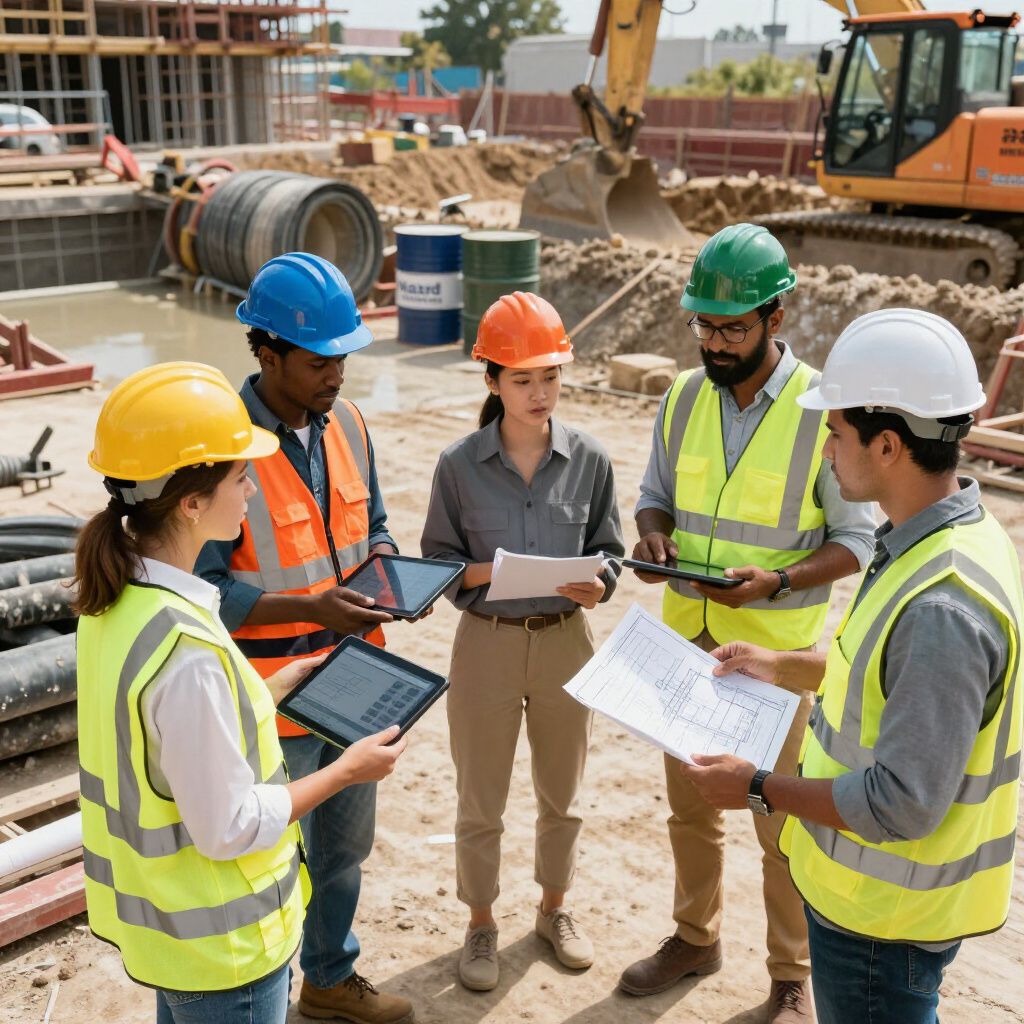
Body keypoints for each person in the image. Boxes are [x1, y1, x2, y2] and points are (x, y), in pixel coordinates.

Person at [680, 308, 1023, 1024]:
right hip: (876, 909)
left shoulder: (941, 606)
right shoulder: (944, 539)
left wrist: (759, 787)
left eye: (835, 434)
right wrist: (780, 663)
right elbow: (874, 680)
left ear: (889, 444)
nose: (827, 451)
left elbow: (902, 801)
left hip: (882, 922)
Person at [75, 362, 406, 1024]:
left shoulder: (119, 606)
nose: (253, 488)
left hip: (175, 936)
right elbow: (228, 827)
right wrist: (347, 770)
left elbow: (166, 733)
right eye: (239, 476)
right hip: (228, 947)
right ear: (192, 501)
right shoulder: (188, 647)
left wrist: (273, 683)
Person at [622, 224, 877, 1022]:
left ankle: (791, 974)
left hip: (777, 663)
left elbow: (857, 540)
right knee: (691, 809)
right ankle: (695, 937)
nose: (715, 342)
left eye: (731, 327)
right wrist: (653, 530)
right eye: (704, 325)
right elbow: (653, 493)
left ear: (776, 316)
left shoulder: (820, 414)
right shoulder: (682, 396)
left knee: (781, 824)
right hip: (687, 647)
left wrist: (779, 580)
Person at [196, 254, 413, 1024]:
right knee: (268, 862)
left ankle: (327, 979)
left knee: (342, 853)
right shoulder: (221, 446)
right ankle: (265, 999)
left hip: (358, 684)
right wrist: (313, 609)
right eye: (320, 362)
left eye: (343, 358)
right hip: (271, 705)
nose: (337, 376)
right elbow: (205, 595)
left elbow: (375, 528)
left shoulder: (348, 423)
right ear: (266, 352)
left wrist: (390, 575)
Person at [420, 292, 625, 991]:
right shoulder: (458, 465)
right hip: (487, 644)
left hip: (568, 640)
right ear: (491, 381)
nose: (541, 393)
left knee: (563, 795)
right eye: (522, 379)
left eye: (551, 376)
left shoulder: (591, 459)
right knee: (482, 799)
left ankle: (553, 910)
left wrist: (604, 582)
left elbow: (610, 548)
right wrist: (492, 572)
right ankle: (481, 924)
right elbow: (438, 567)